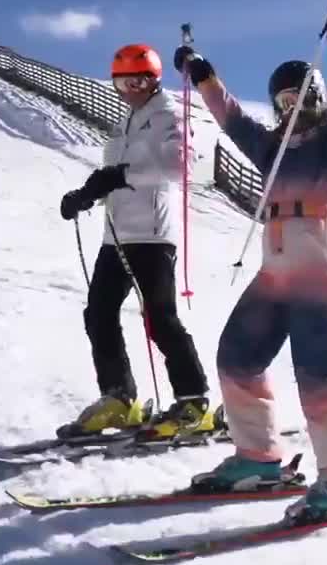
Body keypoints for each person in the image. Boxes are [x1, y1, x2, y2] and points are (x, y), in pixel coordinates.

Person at [171, 0, 327, 521]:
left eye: (301, 98)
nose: (291, 109)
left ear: (317, 99)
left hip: (313, 269)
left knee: (318, 373)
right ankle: (258, 456)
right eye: (283, 101)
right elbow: (231, 117)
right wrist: (202, 75)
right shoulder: (270, 148)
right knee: (237, 355)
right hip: (274, 268)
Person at [56, 43, 212, 441]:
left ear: (154, 80)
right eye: (122, 83)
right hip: (117, 234)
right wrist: (87, 194)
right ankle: (118, 398)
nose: (131, 90)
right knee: (98, 314)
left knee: (159, 318)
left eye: (139, 81)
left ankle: (193, 401)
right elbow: (115, 175)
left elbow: (180, 166)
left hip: (153, 235)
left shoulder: (169, 114)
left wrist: (120, 175)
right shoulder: (127, 120)